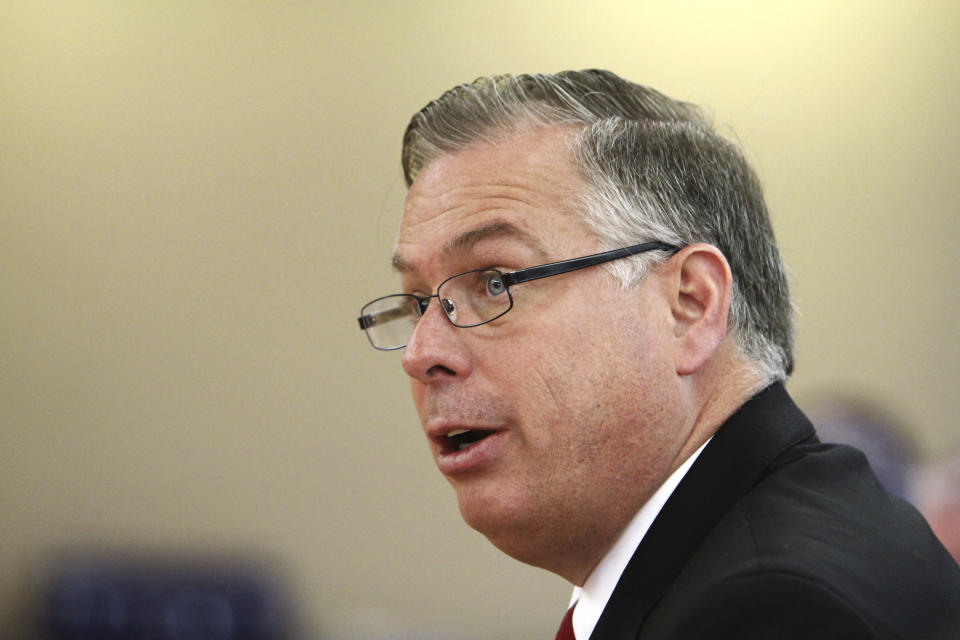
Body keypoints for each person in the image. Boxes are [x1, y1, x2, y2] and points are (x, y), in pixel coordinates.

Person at [356, 70, 960, 639]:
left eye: (494, 283)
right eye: (417, 302)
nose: (422, 352)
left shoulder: (771, 610)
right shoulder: (780, 542)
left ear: (690, 307)